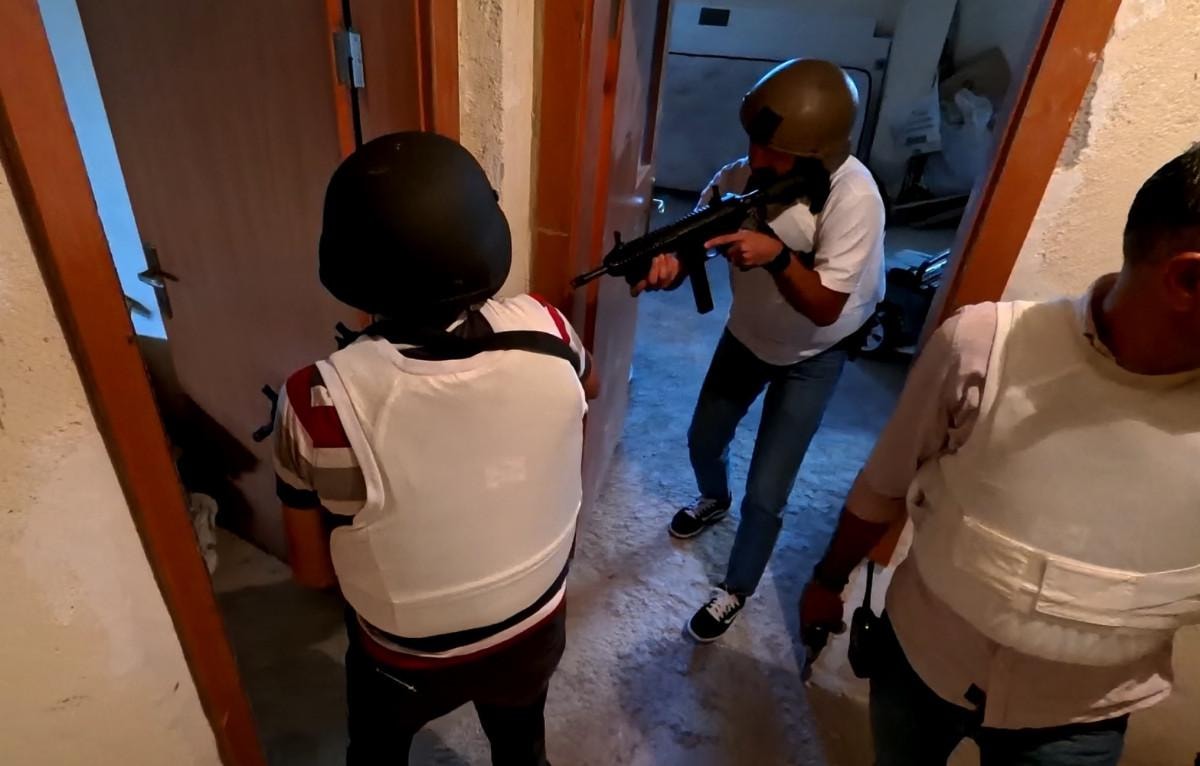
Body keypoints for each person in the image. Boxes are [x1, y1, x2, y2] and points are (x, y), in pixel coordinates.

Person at [800, 145, 1200, 765]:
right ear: (1188, 280)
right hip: (923, 665)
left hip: (1080, 715)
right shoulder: (983, 346)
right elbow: (885, 482)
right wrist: (828, 581)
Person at [273, 132, 597, 765]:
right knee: (522, 748)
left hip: (406, 658)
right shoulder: (550, 327)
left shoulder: (318, 401)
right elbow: (587, 391)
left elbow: (312, 572)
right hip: (536, 625)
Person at [636, 58, 886, 642]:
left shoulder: (854, 197)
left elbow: (825, 307)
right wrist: (668, 268)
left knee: (768, 492)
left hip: (816, 354)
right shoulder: (736, 180)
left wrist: (775, 257)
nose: (756, 156)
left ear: (818, 151)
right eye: (753, 140)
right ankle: (712, 498)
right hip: (747, 336)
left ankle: (737, 587)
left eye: (774, 149)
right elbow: (693, 249)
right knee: (703, 439)